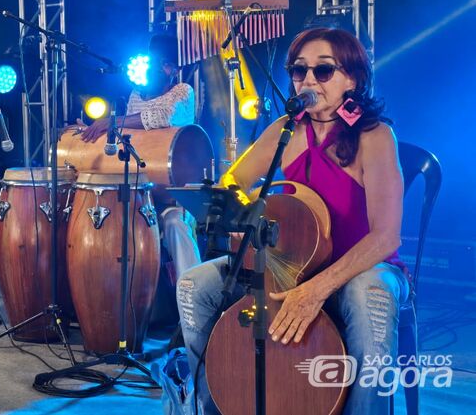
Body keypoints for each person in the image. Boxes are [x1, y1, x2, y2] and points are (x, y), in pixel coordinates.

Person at [176, 27, 409, 415]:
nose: (308, 80)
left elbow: (386, 237)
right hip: (293, 263)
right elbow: (233, 181)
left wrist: (317, 289)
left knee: (369, 294)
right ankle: (212, 405)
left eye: (323, 71)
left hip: (364, 267)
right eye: (300, 71)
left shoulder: (375, 136)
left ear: (352, 78)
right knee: (193, 285)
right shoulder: (287, 129)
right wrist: (244, 207)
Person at [79, 33, 200, 281]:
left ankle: (193, 303)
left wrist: (111, 122)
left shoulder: (183, 91)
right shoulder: (136, 95)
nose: (151, 70)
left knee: (176, 225)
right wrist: (92, 132)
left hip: (174, 197)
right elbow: (129, 133)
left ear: (170, 69)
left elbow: (163, 117)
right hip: (141, 195)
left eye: (159, 64)